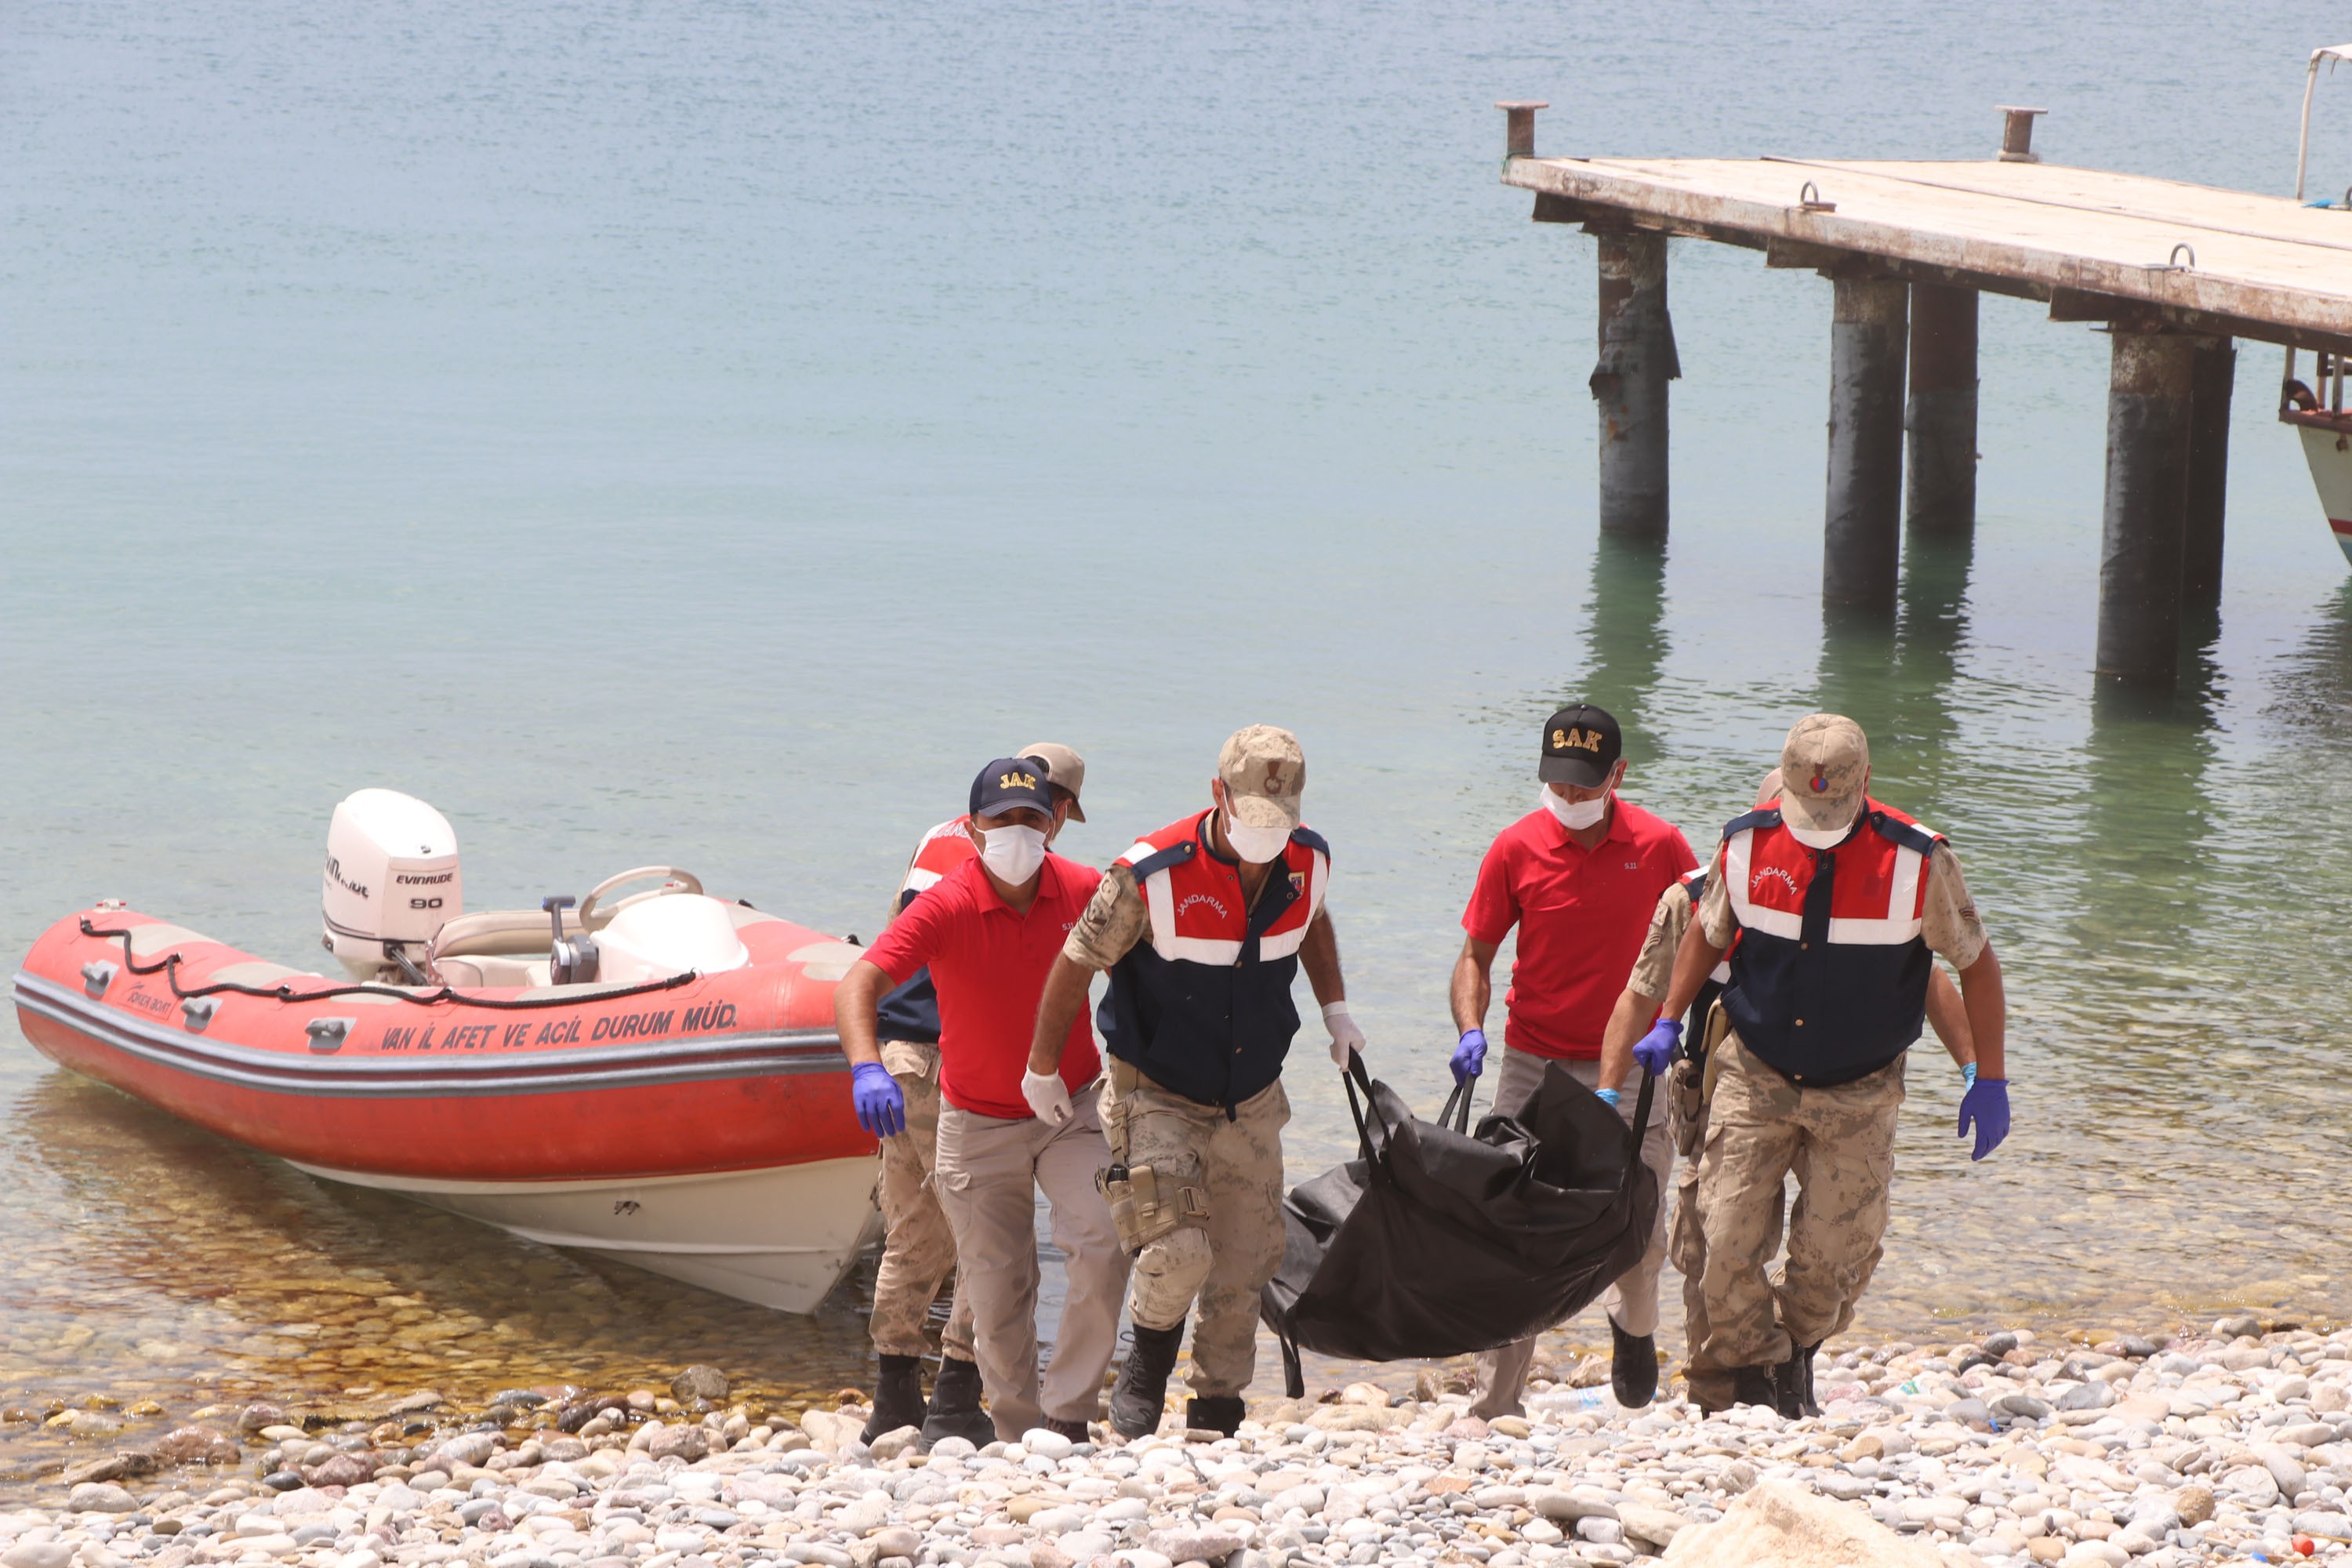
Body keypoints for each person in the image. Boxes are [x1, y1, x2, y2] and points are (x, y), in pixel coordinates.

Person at [1639, 714, 2010, 1417]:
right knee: (1721, 1238)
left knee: (1837, 1255)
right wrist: (1667, 1019)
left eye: (1831, 810)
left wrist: (1985, 1075)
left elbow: (1973, 967)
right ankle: (1757, 1375)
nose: (1815, 823)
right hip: (1757, 1068)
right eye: (1803, 810)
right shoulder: (1745, 844)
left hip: (1862, 1084)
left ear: (1865, 784)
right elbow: (1705, 934)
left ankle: (1796, 1350)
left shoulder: (1919, 861)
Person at [1028, 725, 1364, 1439]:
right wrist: (1043, 1065)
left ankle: (1218, 1408)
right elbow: (1075, 961)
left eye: (1282, 821)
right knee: (1178, 1250)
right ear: (1219, 795)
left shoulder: (1309, 860)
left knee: (1246, 1263)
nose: (1267, 836)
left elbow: (1313, 924)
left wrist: (1337, 1012)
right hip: (1155, 1091)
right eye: (1253, 818)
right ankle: (1147, 1366)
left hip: (1253, 1096)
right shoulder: (1148, 874)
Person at [834, 757, 1128, 1442]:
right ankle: (1015, 1430)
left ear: (1052, 823)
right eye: (1004, 821)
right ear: (974, 828)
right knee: (988, 1283)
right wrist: (864, 1067)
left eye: (1032, 819)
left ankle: (1070, 1415)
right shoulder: (946, 900)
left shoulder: (1086, 889)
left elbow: (1141, 974)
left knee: (1101, 1236)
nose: (1020, 833)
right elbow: (860, 983)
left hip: (1068, 1107)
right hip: (969, 1110)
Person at [1447, 703, 1697, 1419]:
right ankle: (1498, 1404)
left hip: (1639, 1064)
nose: (1571, 800)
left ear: (1618, 775)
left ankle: (1634, 1328)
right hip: (1533, 1063)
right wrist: (1471, 1026)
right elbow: (1476, 955)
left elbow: (1703, 944)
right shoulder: (1514, 848)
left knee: (1639, 1231)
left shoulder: (1661, 847)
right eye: (1559, 785)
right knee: (1513, 1231)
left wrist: (1678, 1024)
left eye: (1587, 788)